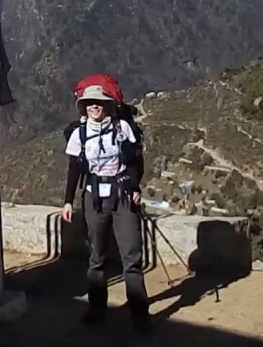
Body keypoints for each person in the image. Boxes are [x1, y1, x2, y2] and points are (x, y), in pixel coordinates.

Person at [62, 79, 150, 334]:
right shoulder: (79, 134)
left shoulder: (122, 128)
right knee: (96, 256)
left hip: (122, 194)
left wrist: (135, 188)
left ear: (106, 104)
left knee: (131, 256)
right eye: (88, 103)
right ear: (83, 106)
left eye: (97, 103)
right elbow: (74, 168)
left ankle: (139, 313)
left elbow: (135, 161)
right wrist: (68, 200)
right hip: (94, 196)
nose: (93, 107)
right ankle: (97, 308)